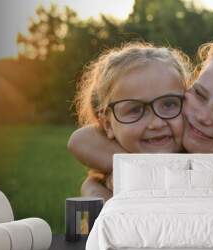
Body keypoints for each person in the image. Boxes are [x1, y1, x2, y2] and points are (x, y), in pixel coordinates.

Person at [68, 34, 213, 198]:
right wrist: (97, 189)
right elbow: (79, 140)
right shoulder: (172, 145)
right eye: (199, 94)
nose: (203, 117)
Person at [71, 42, 191, 201]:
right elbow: (79, 140)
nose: (156, 124)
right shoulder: (110, 182)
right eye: (135, 109)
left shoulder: (202, 150)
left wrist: (135, 171)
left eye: (169, 104)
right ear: (107, 124)